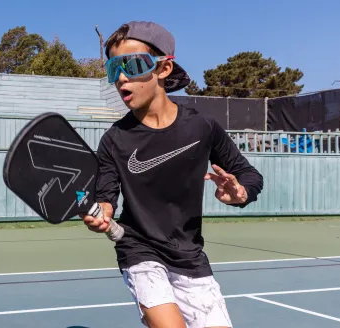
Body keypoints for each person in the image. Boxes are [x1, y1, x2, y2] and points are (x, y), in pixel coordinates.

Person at [81, 21, 264, 328]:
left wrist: (240, 193)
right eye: (113, 69)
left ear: (163, 69)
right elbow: (106, 197)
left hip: (191, 256)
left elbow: (248, 174)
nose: (121, 78)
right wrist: (102, 213)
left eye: (133, 65)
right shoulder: (114, 140)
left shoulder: (202, 126)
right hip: (139, 249)